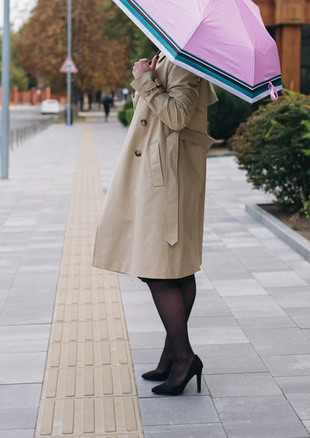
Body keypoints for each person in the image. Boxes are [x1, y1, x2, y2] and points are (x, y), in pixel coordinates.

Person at [92, 51, 218, 396]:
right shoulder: (168, 56)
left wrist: (145, 78)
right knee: (173, 266)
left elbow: (177, 116)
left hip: (168, 176)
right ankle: (172, 358)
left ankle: (183, 358)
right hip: (160, 171)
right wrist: (148, 73)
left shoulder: (186, 62)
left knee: (158, 269)